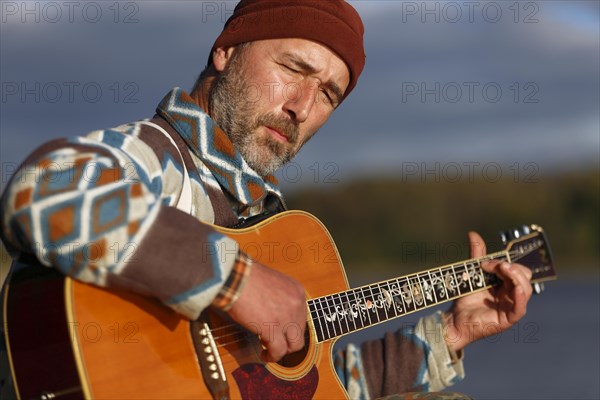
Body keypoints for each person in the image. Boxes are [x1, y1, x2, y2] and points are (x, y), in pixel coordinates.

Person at [0, 1, 533, 398]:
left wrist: (450, 334)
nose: (302, 106)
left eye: (328, 94)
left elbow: (322, 388)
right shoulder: (158, 156)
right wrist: (237, 281)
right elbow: (41, 192)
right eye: (294, 69)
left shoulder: (268, 223)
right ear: (225, 50)